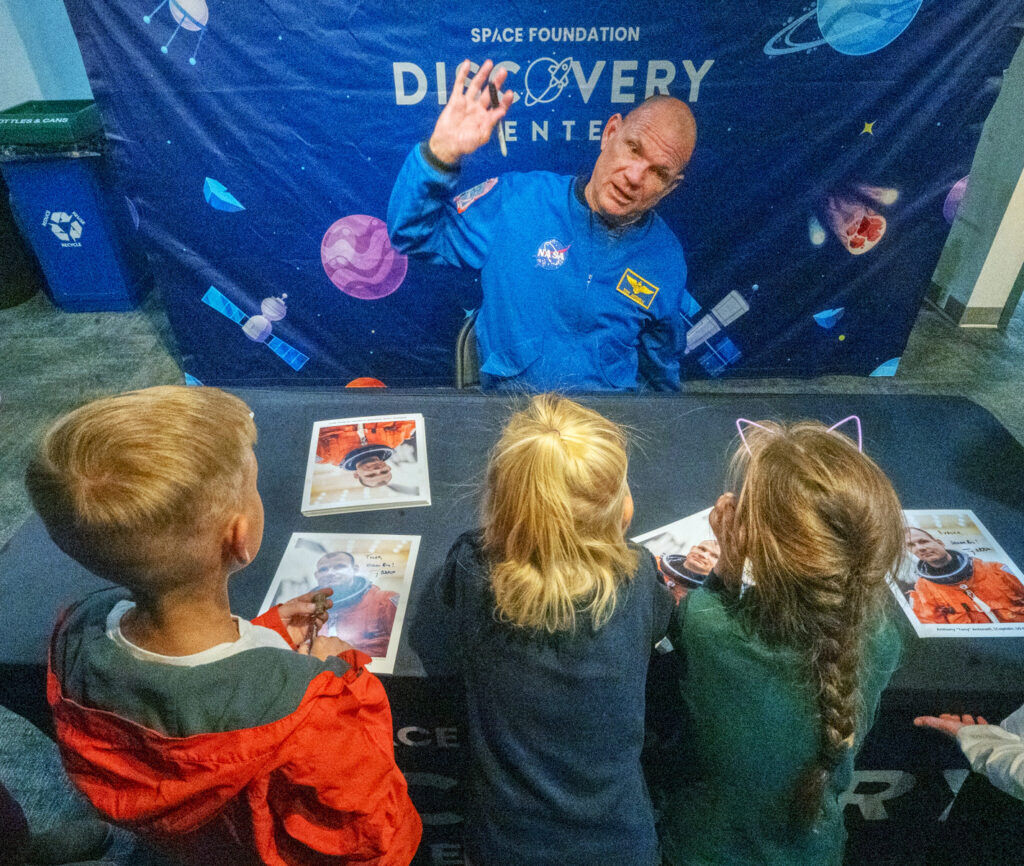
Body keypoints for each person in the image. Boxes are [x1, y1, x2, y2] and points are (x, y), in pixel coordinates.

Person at [26, 386, 421, 865]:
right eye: (252, 487)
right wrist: (340, 675)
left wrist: (267, 633)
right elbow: (371, 834)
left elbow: (187, 682)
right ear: (241, 537)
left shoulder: (76, 633)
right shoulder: (308, 705)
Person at [439, 394, 674, 865]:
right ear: (621, 513)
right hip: (620, 848)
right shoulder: (639, 579)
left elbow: (466, 563)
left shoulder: (471, 572)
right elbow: (660, 623)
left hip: (504, 847)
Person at [658, 421, 905, 865]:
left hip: (707, 849)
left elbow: (693, 622)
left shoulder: (707, 624)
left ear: (748, 539)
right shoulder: (882, 636)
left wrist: (726, 566)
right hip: (817, 849)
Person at [387, 59, 697, 392]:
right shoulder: (516, 202)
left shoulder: (665, 257)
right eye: (633, 148)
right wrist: (439, 155)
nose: (634, 177)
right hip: (513, 419)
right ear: (610, 133)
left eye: (658, 172)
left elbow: (660, 374)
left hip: (600, 431)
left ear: (671, 186)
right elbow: (412, 234)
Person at [904, 527, 1024, 624]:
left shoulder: (996, 570)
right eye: (911, 545)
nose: (920, 548)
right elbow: (933, 631)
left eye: (923, 541)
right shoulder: (923, 592)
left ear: (939, 543)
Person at [316, 550, 399, 657]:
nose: (330, 573)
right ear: (316, 575)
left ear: (355, 570)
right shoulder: (308, 611)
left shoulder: (385, 601)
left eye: (339, 566)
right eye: (323, 569)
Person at [316, 418, 417, 488]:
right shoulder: (395, 439)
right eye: (384, 472)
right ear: (388, 467)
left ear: (356, 474)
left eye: (371, 475)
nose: (377, 470)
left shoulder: (326, 455)